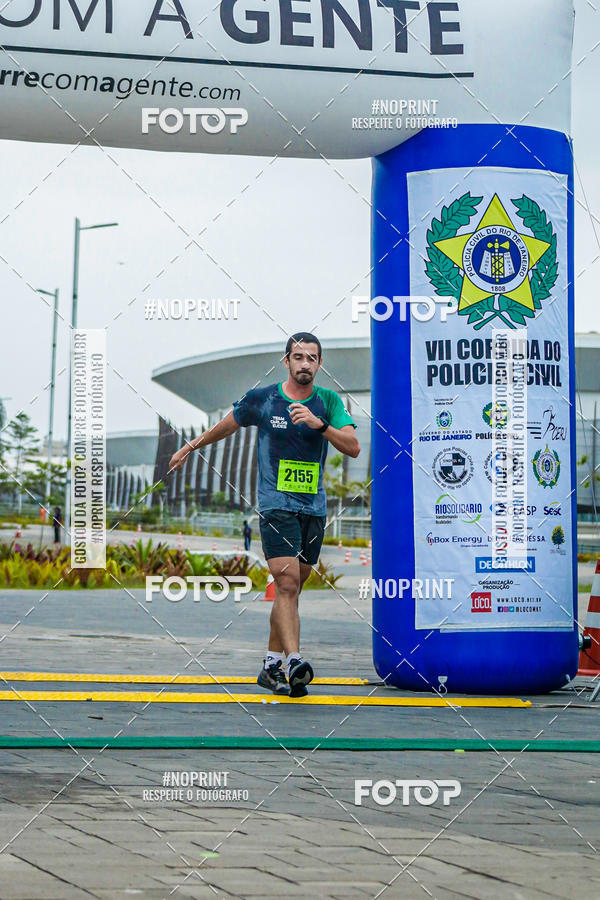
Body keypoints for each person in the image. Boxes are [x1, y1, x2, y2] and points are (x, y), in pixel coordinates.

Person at [169, 332, 360, 697]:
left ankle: (271, 665)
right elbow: (225, 425)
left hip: (314, 509)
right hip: (276, 506)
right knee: (286, 584)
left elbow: (352, 447)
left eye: (312, 358)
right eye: (298, 357)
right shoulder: (265, 399)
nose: (305, 364)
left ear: (319, 365)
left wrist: (319, 425)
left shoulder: (329, 402)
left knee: (293, 588)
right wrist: (189, 447)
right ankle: (294, 661)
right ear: (286, 361)